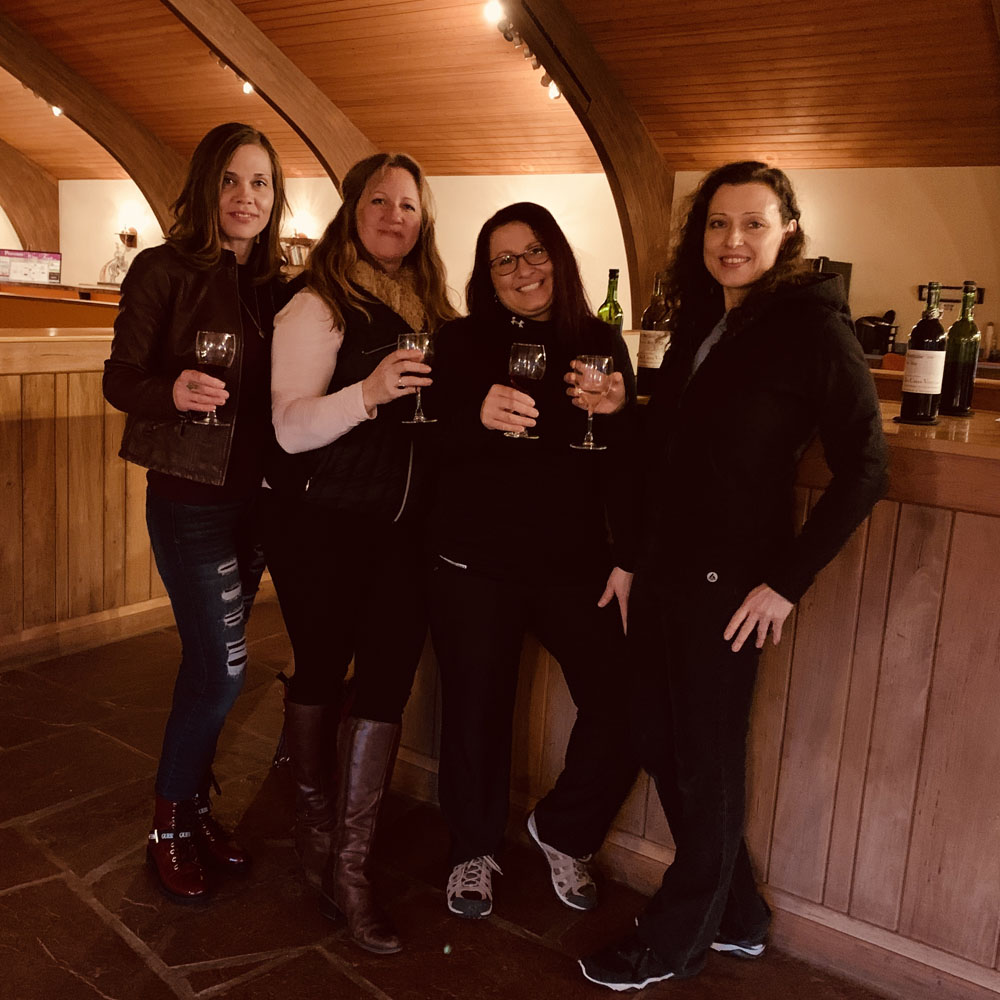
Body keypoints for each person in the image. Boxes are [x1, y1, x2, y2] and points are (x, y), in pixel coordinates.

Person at [579, 161, 889, 990]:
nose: (733, 240)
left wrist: (786, 583)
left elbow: (866, 467)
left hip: (732, 587)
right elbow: (670, 450)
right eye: (718, 223)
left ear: (788, 231)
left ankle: (671, 942)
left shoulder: (815, 329)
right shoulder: (705, 321)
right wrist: (631, 540)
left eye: (754, 223)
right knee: (656, 738)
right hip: (664, 573)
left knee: (706, 763)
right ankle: (741, 915)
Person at [261, 152, 457, 954]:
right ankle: (313, 826)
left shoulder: (436, 312)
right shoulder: (318, 304)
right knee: (318, 670)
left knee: (385, 687)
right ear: (352, 211)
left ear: (423, 219)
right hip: (323, 525)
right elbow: (288, 427)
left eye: (407, 204)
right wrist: (368, 394)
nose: (394, 216)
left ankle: (350, 868)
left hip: (405, 532)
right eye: (379, 201)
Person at [426, 202, 640, 921]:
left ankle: (565, 829)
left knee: (625, 699)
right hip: (474, 562)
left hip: (572, 564)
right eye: (505, 260)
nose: (524, 270)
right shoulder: (459, 342)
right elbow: (424, 443)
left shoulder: (599, 341)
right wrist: (473, 418)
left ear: (559, 255)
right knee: (474, 711)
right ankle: (472, 849)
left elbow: (623, 461)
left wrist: (627, 555)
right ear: (486, 275)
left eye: (535, 251)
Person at [103, 122, 288, 903]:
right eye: (231, 180)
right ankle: (169, 826)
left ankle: (195, 811)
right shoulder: (163, 269)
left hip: (257, 504)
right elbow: (120, 378)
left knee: (211, 665)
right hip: (190, 498)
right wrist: (172, 390)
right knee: (224, 668)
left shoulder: (278, 284)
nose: (246, 197)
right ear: (207, 187)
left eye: (261, 183)